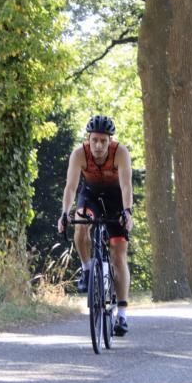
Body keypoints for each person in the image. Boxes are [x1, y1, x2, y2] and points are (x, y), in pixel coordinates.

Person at [56, 115, 133, 336]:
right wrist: (64, 213)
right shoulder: (79, 154)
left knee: (119, 254)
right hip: (90, 196)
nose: (98, 145)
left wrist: (127, 212)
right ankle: (88, 269)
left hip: (116, 199)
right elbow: (70, 188)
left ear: (110, 140)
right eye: (95, 140)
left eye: (103, 141)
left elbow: (126, 186)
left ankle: (122, 315)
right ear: (88, 138)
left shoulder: (121, 153)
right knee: (81, 224)